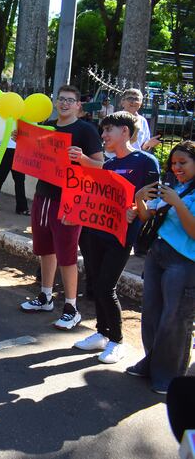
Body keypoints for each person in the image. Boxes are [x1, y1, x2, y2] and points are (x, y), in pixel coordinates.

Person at [74, 112, 159, 364]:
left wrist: (136, 208)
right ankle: (101, 332)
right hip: (97, 232)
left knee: (105, 286)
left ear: (125, 131)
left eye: (108, 130)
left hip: (122, 236)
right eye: (103, 131)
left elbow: (154, 203)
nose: (103, 136)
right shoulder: (109, 165)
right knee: (95, 283)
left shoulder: (146, 162)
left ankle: (117, 341)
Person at [20, 85, 104, 330]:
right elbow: (34, 157)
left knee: (67, 254)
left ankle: (71, 307)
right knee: (45, 249)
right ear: (56, 102)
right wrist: (21, 140)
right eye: (61, 99)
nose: (65, 103)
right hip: (42, 196)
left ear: (79, 105)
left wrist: (83, 159)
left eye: (70, 100)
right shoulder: (47, 128)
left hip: (69, 201)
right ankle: (45, 296)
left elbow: (100, 166)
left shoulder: (86, 130)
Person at [128, 141, 195, 395]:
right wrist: (140, 199)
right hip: (158, 254)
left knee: (175, 318)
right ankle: (151, 362)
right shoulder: (174, 186)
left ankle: (169, 375)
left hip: (185, 260)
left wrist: (177, 203)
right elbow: (147, 217)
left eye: (183, 163)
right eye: (174, 163)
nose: (177, 168)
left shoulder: (182, 193)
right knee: (152, 312)